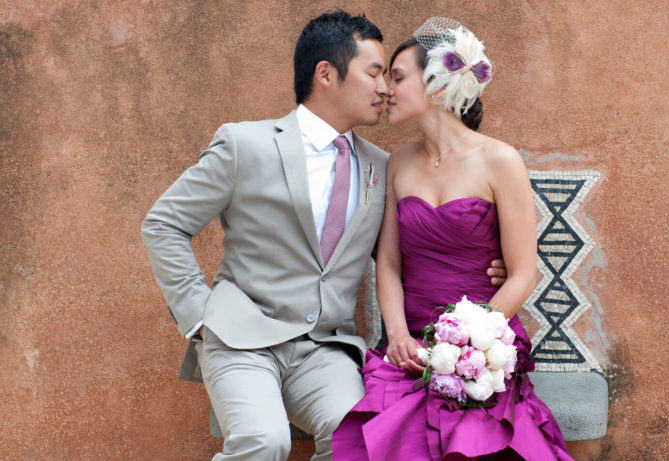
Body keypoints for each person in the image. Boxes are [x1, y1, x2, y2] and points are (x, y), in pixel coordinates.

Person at [142, 11, 507, 461]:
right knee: (263, 442)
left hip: (327, 351)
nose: (385, 89)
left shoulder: (382, 164)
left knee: (357, 440)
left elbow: (407, 250)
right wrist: (199, 317)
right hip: (241, 339)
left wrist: (484, 258)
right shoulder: (245, 144)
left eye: (389, 77)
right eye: (374, 73)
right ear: (326, 74)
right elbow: (163, 224)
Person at [332, 18, 572, 460]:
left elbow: (522, 273)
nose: (386, 89)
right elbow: (387, 262)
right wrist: (399, 334)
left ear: (437, 86)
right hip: (410, 342)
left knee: (470, 434)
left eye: (397, 78)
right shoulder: (398, 163)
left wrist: (466, 343)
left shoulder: (500, 160)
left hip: (482, 340)